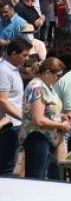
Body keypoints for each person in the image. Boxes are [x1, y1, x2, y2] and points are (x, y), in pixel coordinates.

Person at [22, 57, 71, 179]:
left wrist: (62, 116)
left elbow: (49, 111)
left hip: (47, 138)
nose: (59, 79)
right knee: (36, 178)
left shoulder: (47, 86)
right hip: (38, 138)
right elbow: (38, 119)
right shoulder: (37, 87)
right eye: (58, 76)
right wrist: (61, 125)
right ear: (47, 72)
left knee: (44, 177)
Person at [0, 38, 30, 175]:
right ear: (13, 54)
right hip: (8, 126)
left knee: (10, 164)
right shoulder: (4, 71)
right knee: (6, 166)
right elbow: (3, 101)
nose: (27, 58)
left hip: (15, 124)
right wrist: (24, 117)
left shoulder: (13, 69)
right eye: (24, 55)